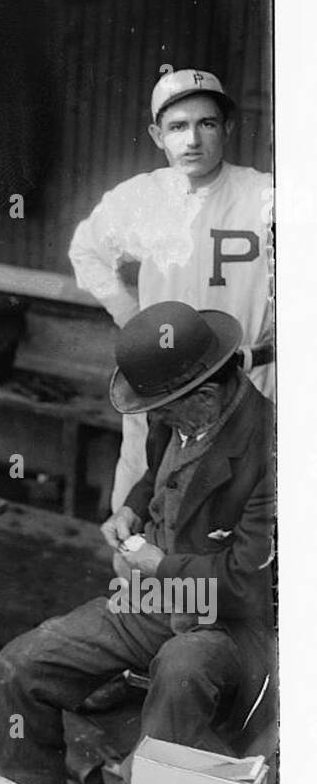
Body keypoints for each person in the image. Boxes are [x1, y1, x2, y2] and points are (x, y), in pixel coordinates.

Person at [0, 302, 276, 784]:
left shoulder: (271, 452)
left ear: (208, 395)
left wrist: (156, 563)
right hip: (155, 599)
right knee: (23, 663)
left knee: (181, 670)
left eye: (164, 409)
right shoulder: (178, 413)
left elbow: (244, 583)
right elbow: (158, 476)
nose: (156, 417)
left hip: (231, 621)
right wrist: (131, 508)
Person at [69, 68, 273, 510]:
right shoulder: (141, 197)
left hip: (247, 379)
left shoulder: (265, 195)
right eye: (177, 127)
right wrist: (131, 317)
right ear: (157, 135)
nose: (193, 140)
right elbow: (86, 251)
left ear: (228, 128)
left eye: (207, 124)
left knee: (235, 518)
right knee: (143, 501)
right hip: (162, 380)